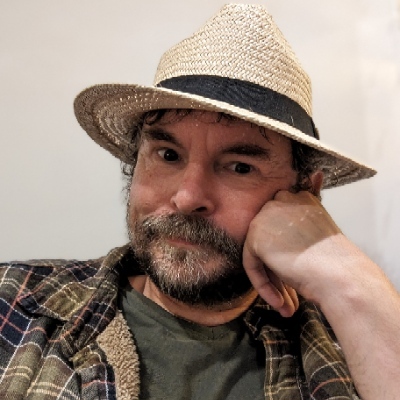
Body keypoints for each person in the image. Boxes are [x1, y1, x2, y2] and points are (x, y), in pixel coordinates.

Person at [0, 4, 399, 400]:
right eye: (168, 155)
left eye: (240, 167)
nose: (188, 197)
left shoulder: (355, 345)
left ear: (305, 194)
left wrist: (348, 280)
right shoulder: (14, 305)